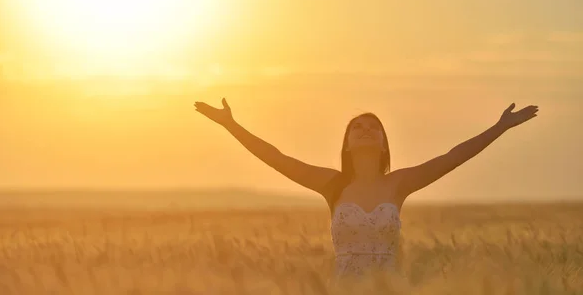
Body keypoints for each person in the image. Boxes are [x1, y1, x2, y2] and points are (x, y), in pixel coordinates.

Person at [193, 98, 538, 284]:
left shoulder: (399, 183)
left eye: (374, 127)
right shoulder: (332, 184)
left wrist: (500, 127)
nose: (365, 130)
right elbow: (277, 158)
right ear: (345, 144)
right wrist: (231, 125)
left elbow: (453, 156)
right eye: (356, 127)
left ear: (386, 144)